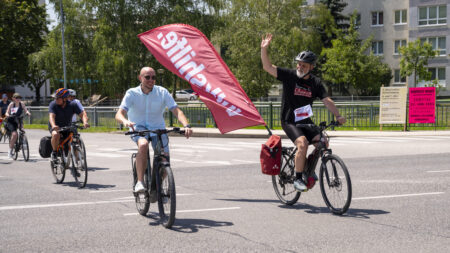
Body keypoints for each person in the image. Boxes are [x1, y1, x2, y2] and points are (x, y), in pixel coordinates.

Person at [261, 33, 346, 191]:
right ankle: (298, 178)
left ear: (311, 67)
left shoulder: (315, 83)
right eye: (299, 64)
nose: (300, 67)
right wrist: (264, 49)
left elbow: (327, 100)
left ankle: (308, 169)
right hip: (289, 121)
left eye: (304, 65)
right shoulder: (290, 76)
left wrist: (338, 115)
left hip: (306, 121)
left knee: (323, 142)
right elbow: (268, 67)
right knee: (303, 144)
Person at [115, 67, 193, 195]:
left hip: (158, 129)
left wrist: (186, 125)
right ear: (140, 78)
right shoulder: (132, 93)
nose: (151, 80)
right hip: (138, 128)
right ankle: (140, 182)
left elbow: (177, 111)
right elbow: (119, 114)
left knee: (164, 159)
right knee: (143, 145)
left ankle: (158, 187)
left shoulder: (162, 92)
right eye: (147, 77)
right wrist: (125, 121)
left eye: (153, 77)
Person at [48, 88, 89, 161]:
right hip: (55, 126)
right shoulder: (53, 104)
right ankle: (54, 153)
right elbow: (51, 116)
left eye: (58, 98)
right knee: (55, 135)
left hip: (67, 126)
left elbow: (82, 114)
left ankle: (77, 159)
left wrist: (85, 122)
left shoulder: (72, 104)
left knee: (75, 138)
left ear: (64, 99)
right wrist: (53, 125)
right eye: (55, 98)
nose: (56, 99)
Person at [4, 93, 31, 158]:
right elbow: (7, 112)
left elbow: (25, 110)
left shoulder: (21, 104)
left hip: (18, 119)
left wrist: (27, 112)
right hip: (11, 121)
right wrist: (7, 115)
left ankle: (23, 142)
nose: (18, 99)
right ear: (13, 98)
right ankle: (10, 151)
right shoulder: (11, 104)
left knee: (22, 129)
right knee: (14, 134)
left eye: (19, 98)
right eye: (17, 98)